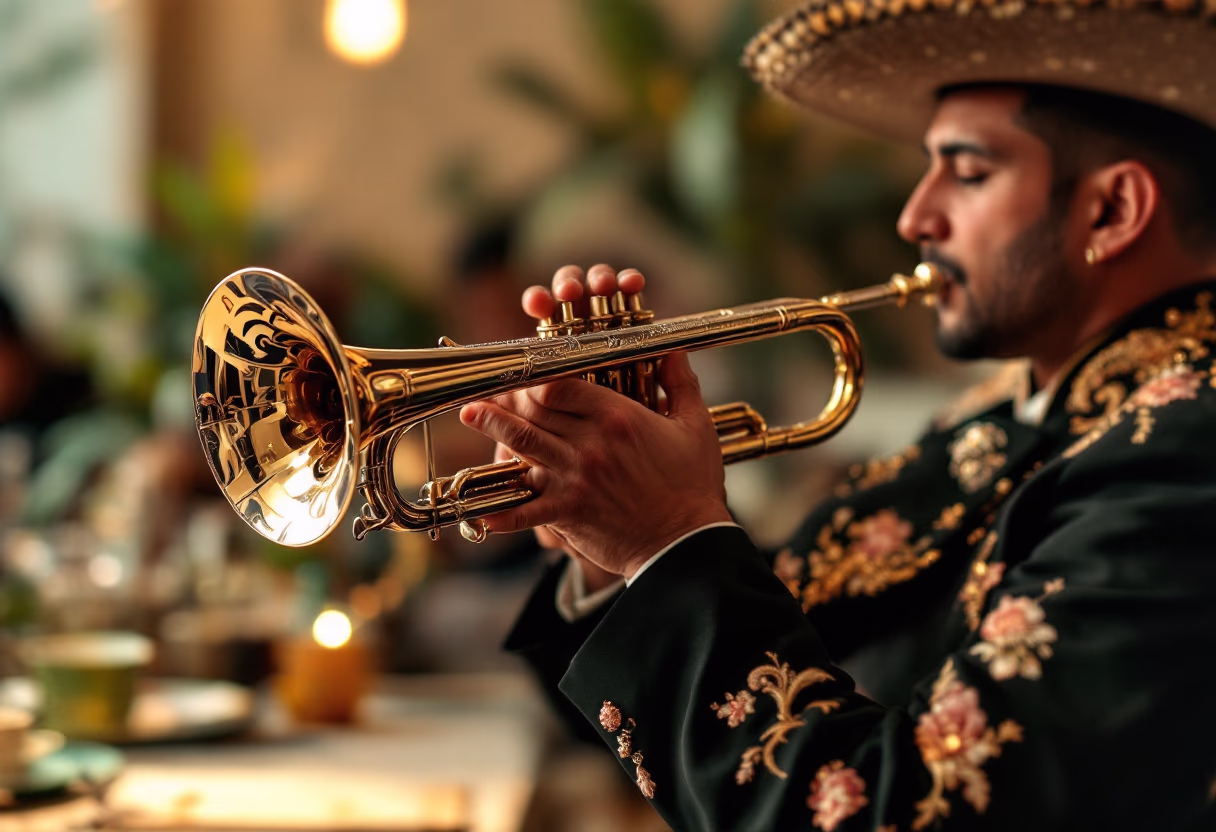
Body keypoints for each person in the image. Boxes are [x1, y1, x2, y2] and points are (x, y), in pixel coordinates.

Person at [459, 1, 1216, 829]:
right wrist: (608, 546)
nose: (914, 217)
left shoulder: (1183, 454)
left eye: (967, 172)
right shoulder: (999, 415)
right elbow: (715, 695)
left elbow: (906, 811)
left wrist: (666, 539)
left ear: (1111, 211)